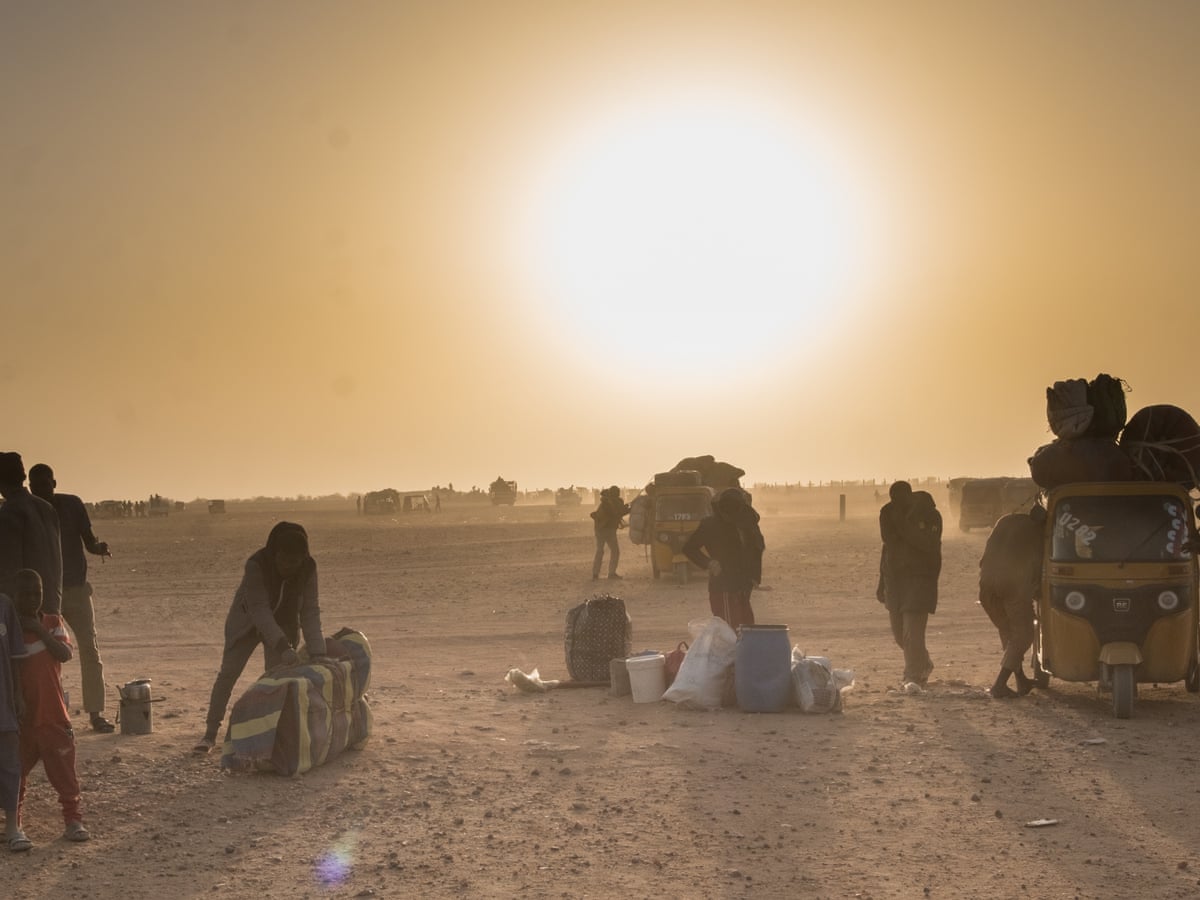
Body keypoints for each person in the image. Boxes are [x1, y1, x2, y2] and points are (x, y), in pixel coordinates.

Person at [195, 522, 327, 753]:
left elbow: (310, 611)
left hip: (284, 624)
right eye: (283, 560)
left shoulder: (308, 569)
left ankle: (272, 737)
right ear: (275, 554)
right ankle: (210, 733)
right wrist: (283, 647)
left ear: (302, 559)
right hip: (246, 623)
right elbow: (259, 611)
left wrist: (318, 652)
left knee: (276, 682)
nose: (287, 567)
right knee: (228, 674)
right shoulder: (256, 565)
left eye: (293, 562)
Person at [28, 464, 115, 733]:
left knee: (89, 649)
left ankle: (96, 714)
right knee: (45, 656)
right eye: (36, 486)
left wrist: (99, 548)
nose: (41, 490)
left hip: (75, 589)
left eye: (45, 485)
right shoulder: (26, 511)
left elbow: (89, 541)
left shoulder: (72, 505)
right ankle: (52, 715)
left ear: (54, 483)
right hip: (44, 596)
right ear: (30, 487)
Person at [13, 569, 89, 844]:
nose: (32, 599)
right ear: (15, 597)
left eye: (37, 593)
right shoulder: (10, 628)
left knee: (64, 772)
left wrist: (38, 629)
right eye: (26, 594)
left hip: (53, 712)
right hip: (22, 717)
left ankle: (73, 820)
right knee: (15, 774)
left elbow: (64, 653)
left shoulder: (53, 622)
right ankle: (14, 824)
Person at [979, 505, 1047, 698]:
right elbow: (1039, 566)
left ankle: (1021, 679)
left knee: (1009, 633)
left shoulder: (1005, 521)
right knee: (1024, 635)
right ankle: (999, 685)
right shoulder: (1038, 533)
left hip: (986, 586)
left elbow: (984, 559)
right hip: (1011, 586)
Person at [878, 483, 941, 687]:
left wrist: (903, 525)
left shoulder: (930, 515)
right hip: (894, 583)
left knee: (912, 634)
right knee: (900, 635)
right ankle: (923, 663)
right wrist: (881, 583)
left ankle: (913, 676)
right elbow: (887, 549)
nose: (896, 503)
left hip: (920, 581)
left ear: (910, 496)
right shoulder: (888, 514)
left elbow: (927, 544)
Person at [683, 488, 765, 632]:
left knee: (747, 629)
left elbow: (757, 548)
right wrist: (708, 563)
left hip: (744, 585)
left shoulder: (748, 521)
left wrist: (754, 576)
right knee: (729, 630)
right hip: (723, 586)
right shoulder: (710, 525)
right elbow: (689, 548)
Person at [0, 452, 63, 616]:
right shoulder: (46, 507)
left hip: (26, 612)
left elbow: (9, 569)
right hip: (52, 605)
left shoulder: (9, 513)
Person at [0, 575, 29, 852]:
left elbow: (15, 658)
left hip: (3, 703)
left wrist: (19, 695)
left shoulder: (4, 605)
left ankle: (12, 826)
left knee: (10, 763)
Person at [590, 486, 631, 580]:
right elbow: (618, 513)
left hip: (599, 530)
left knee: (600, 551)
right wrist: (628, 509)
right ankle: (611, 573)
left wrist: (625, 508)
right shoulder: (612, 503)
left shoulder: (605, 503)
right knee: (615, 551)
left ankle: (595, 574)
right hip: (608, 530)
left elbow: (617, 512)